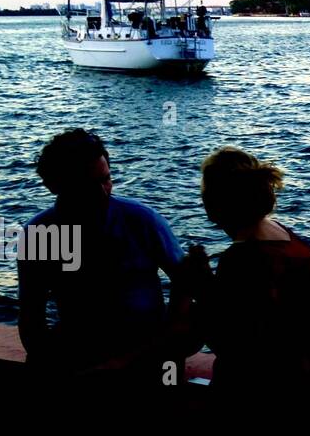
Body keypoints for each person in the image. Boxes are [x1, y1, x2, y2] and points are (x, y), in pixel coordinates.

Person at [17, 128, 202, 387]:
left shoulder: (143, 221)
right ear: (55, 186)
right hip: (83, 348)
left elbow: (188, 288)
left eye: (106, 179)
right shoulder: (39, 235)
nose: (103, 192)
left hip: (147, 349)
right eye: (88, 185)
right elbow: (31, 318)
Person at [190, 147, 310, 420]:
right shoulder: (287, 238)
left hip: (265, 398)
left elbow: (234, 343)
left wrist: (200, 288)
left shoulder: (242, 259)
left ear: (215, 205)